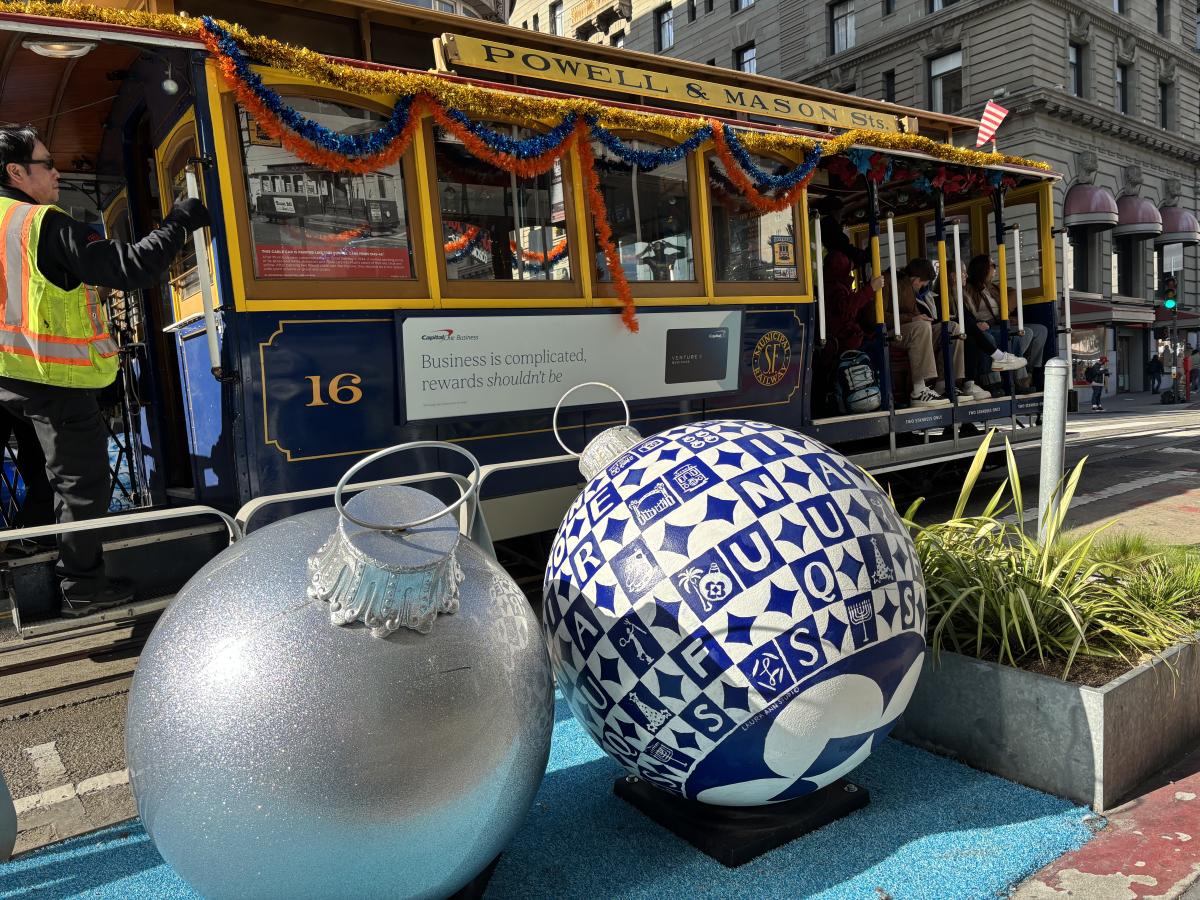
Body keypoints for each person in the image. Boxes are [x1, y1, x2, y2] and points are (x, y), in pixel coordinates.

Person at [0, 124, 210, 617]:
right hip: (49, 373)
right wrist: (180, 220)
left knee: (37, 466)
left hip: (8, 376)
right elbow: (131, 267)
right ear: (15, 171)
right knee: (80, 479)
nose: (56, 172)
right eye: (46, 163)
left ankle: (29, 540)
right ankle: (82, 585)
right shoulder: (39, 224)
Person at [888, 258, 991, 406]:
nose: (924, 286)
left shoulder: (916, 291)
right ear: (916, 279)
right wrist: (913, 318)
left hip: (913, 329)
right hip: (894, 332)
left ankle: (946, 384)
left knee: (953, 327)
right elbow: (876, 317)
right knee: (922, 326)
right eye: (923, 283)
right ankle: (919, 390)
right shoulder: (892, 285)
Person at [962, 255, 1041, 392]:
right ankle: (992, 382)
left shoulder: (992, 287)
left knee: (1018, 336)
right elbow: (969, 312)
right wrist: (979, 323)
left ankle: (1020, 381)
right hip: (982, 327)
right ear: (983, 268)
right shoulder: (969, 288)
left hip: (996, 324)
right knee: (989, 338)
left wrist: (1006, 314)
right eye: (993, 266)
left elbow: (1013, 293)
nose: (995, 269)